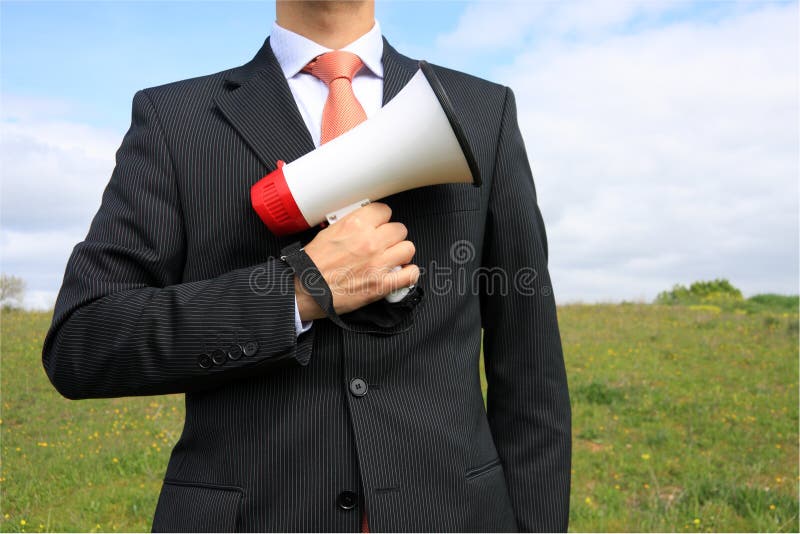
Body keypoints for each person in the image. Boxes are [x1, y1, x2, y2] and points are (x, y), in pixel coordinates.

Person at [42, 1, 571, 532]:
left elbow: (532, 374)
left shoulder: (483, 111)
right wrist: (295, 290)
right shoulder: (175, 120)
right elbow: (82, 343)